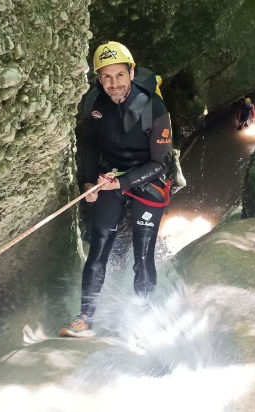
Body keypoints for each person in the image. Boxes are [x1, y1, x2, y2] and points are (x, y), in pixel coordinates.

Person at [59, 41, 173, 337]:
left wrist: (120, 182)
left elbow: (160, 163)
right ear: (98, 78)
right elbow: (87, 144)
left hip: (147, 177)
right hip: (109, 176)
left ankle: (141, 315)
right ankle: (85, 316)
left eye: (119, 75)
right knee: (99, 246)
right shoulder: (94, 103)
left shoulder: (152, 106)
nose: (113, 84)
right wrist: (87, 181)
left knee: (144, 251)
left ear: (131, 73)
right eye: (106, 77)